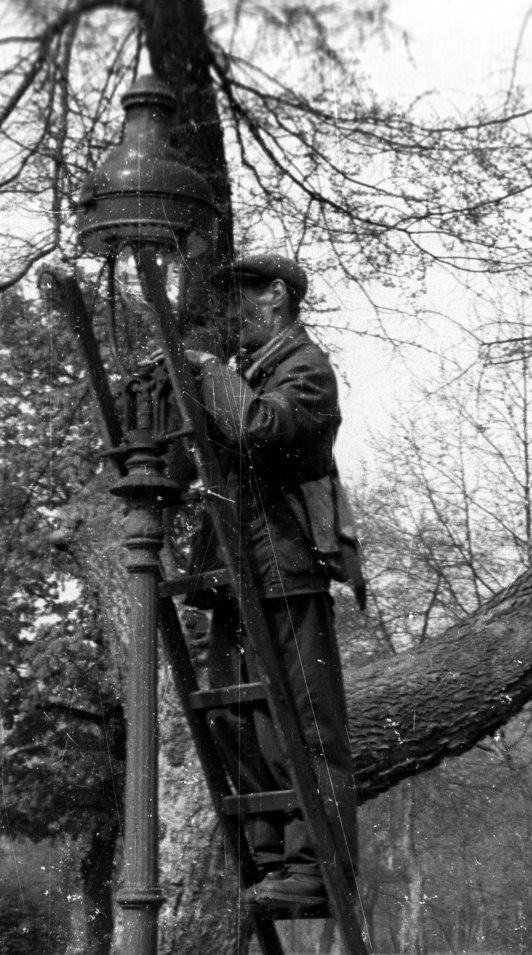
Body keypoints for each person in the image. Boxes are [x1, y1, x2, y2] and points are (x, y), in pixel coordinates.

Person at [185, 252, 358, 913]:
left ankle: (315, 870)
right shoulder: (248, 374)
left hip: (284, 571)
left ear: (278, 297)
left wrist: (209, 373)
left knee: (305, 723)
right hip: (236, 574)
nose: (231, 319)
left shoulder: (303, 369)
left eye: (241, 302)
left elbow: (261, 428)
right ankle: (266, 859)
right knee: (236, 716)